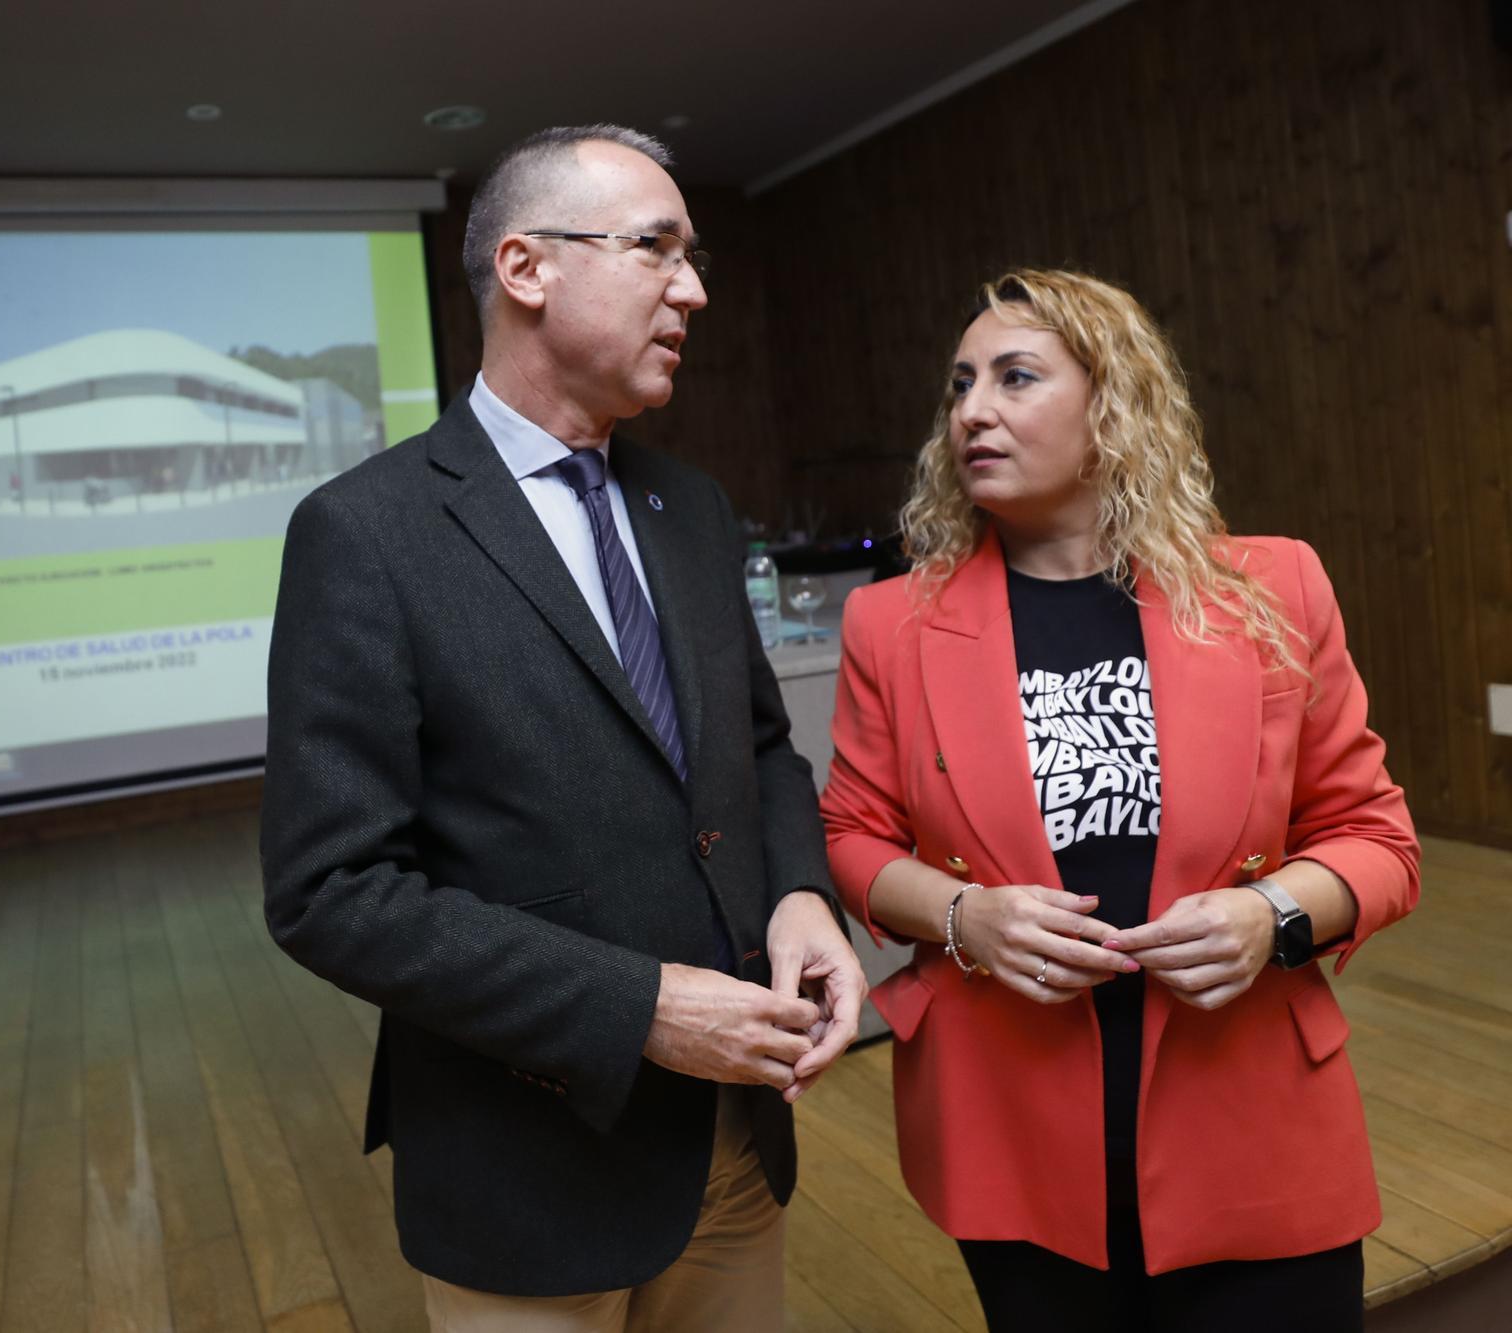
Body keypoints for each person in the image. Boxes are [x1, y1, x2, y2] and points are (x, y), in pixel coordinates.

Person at [260, 124, 867, 1331]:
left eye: (691, 256)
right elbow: (330, 890)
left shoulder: (688, 507)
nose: (690, 288)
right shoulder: (366, 533)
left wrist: (800, 892)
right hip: (527, 1174)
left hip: (734, 1155)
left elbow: (755, 750)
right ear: (528, 269)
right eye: (655, 248)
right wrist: (639, 1008)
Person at [820, 268, 1418, 1332]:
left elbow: (1372, 836)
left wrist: (1270, 914)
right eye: (959, 385)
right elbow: (854, 837)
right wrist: (965, 916)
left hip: (1248, 1111)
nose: (971, 410)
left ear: (1113, 404)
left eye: (1013, 377)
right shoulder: (890, 627)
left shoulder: (1271, 589)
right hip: (1008, 1115)